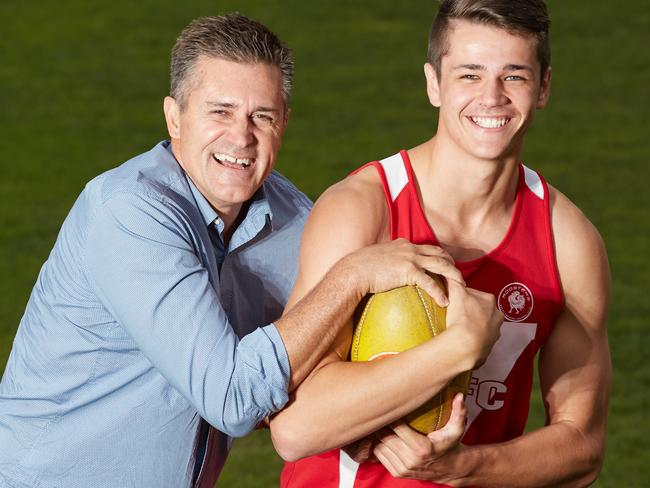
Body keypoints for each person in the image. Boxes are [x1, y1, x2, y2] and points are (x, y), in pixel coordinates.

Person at [0, 14, 477, 488]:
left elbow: (314, 369)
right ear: (174, 117)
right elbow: (230, 395)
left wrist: (381, 430)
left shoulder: (296, 221)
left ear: (284, 124)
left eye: (261, 116)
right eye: (220, 111)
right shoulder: (129, 213)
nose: (241, 136)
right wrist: (352, 278)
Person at [270, 0, 611, 486]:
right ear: (434, 84)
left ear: (544, 87)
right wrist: (459, 348)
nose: (491, 98)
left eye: (513, 76)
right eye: (469, 75)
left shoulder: (569, 242)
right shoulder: (364, 210)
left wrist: (460, 468)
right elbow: (295, 428)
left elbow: (583, 447)